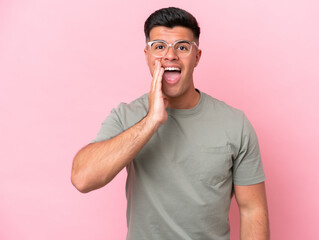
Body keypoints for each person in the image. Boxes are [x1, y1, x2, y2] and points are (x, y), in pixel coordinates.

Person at [71, 7, 270, 240]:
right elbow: (82, 179)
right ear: (146, 54)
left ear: (197, 57)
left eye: (182, 47)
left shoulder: (235, 124)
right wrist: (151, 121)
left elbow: (252, 209)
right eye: (159, 47)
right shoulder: (125, 116)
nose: (170, 56)